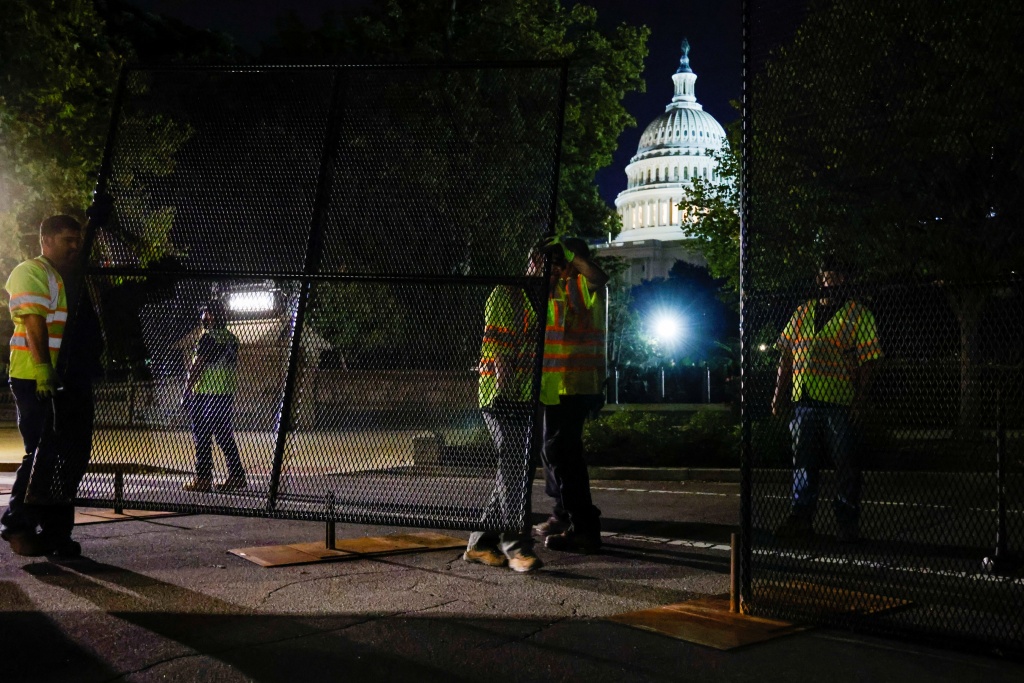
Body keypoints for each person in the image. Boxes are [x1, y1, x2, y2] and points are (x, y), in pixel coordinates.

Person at [772, 258, 883, 543]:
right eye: (828, 274)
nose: (833, 280)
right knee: (803, 463)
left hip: (840, 402)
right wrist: (778, 395)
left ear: (846, 279)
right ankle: (801, 519)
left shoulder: (859, 314)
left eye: (838, 274)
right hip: (804, 399)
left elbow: (869, 361)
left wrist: (859, 399)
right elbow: (785, 357)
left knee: (845, 464)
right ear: (820, 277)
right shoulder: (802, 311)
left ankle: (847, 524)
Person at [1, 215, 83, 556]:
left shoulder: (59, 277)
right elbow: (34, 320)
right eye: (67, 239)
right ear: (46, 240)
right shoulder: (30, 270)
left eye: (77, 240)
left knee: (54, 452)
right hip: (33, 376)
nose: (74, 246)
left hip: (51, 375)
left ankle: (44, 529)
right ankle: (17, 525)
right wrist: (43, 369)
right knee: (42, 451)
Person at [462, 249, 544, 573]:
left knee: (513, 469)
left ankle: (480, 544)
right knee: (513, 468)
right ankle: (516, 547)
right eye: (544, 263)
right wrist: (505, 392)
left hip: (521, 395)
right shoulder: (506, 293)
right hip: (501, 396)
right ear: (533, 262)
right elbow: (498, 349)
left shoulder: (539, 298)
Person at [534, 236, 609, 554]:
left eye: (553, 261)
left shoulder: (581, 286)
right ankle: (566, 515)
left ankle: (583, 526)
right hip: (557, 386)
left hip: (576, 385)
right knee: (554, 453)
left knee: (564, 456)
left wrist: (568, 254)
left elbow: (598, 276)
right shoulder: (557, 290)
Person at [182, 299, 246, 493]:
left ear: (211, 315)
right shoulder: (231, 339)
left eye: (205, 313)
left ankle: (203, 478)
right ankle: (236, 475)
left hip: (205, 393)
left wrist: (186, 390)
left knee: (202, 436)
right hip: (225, 393)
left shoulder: (208, 338)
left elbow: (197, 366)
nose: (203, 317)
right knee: (223, 435)